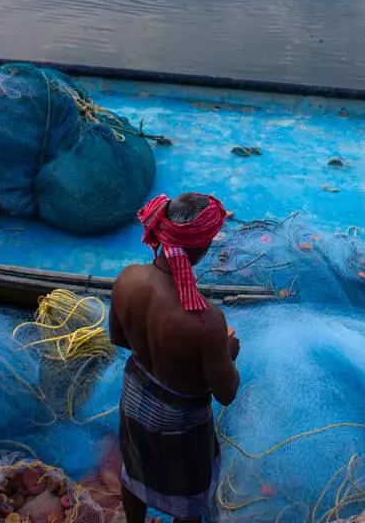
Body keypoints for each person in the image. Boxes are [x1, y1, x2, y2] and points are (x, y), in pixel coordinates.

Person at [110, 192, 240, 523]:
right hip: (180, 418)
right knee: (188, 494)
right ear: (203, 248)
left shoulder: (127, 278)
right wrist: (228, 354)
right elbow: (225, 394)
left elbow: (117, 337)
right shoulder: (205, 321)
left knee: (133, 469)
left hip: (135, 394)